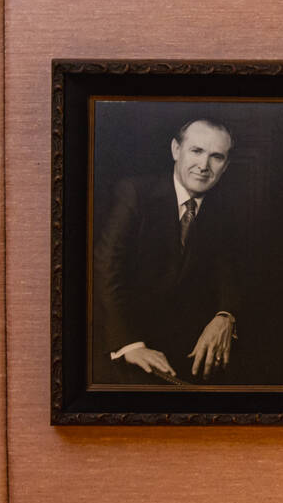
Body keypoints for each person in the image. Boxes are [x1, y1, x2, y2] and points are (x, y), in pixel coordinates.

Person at [92, 117, 243, 385]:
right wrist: (129, 344)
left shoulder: (225, 209)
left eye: (216, 157)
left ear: (226, 166)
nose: (204, 166)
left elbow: (229, 267)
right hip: (121, 341)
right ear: (176, 150)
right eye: (196, 151)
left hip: (181, 350)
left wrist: (225, 316)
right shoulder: (134, 194)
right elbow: (105, 267)